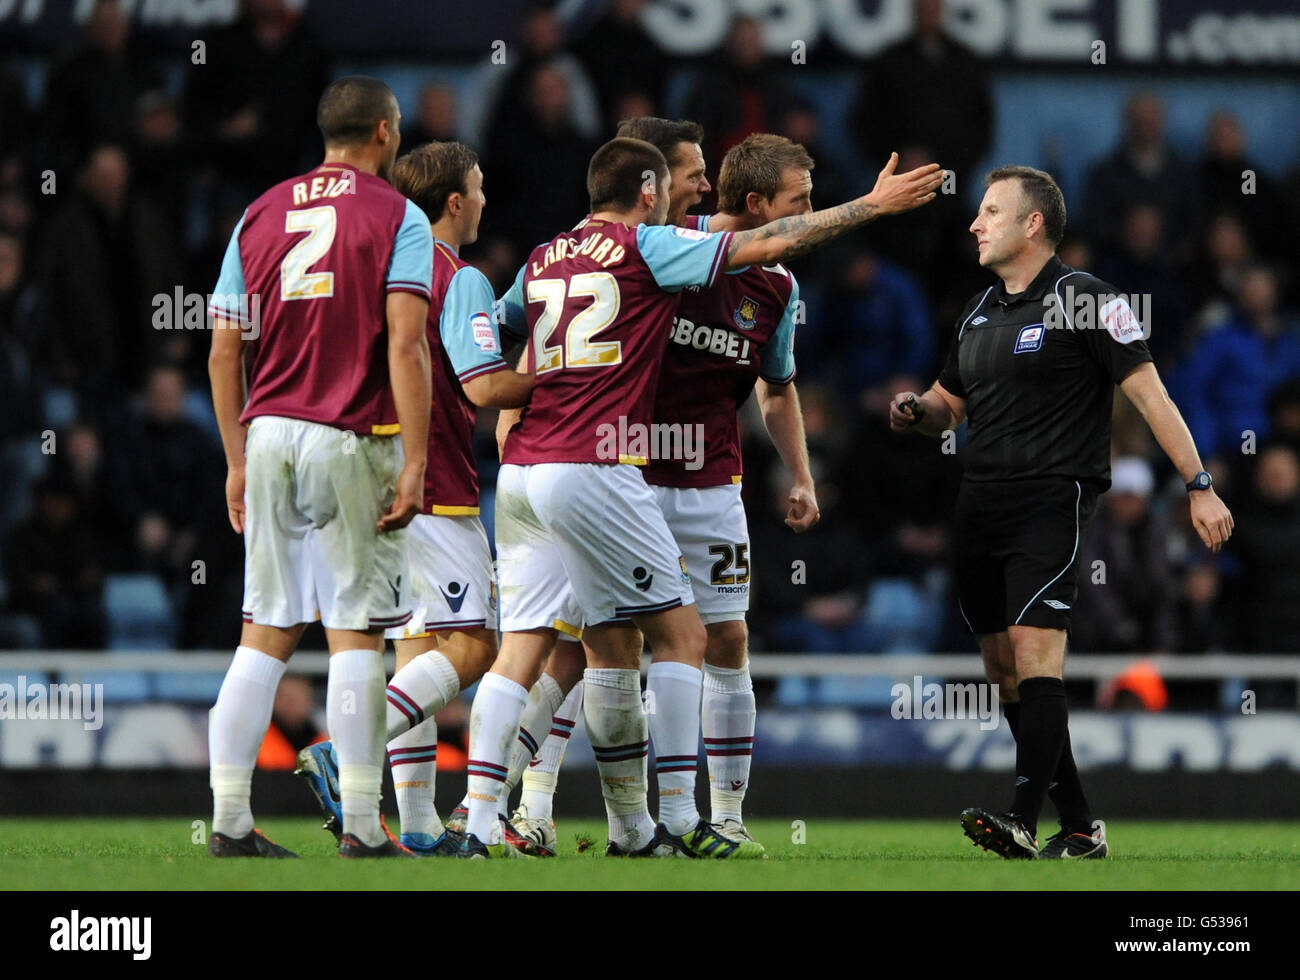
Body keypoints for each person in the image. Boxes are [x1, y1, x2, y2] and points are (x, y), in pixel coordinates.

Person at [459, 136, 942, 859]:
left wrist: (801, 474)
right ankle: (604, 816)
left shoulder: (775, 287)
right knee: (601, 650)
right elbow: (526, 330)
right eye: (689, 177)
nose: (698, 190)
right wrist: (869, 206)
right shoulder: (664, 252)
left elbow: (776, 388)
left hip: (708, 483)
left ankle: (716, 817)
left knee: (723, 639)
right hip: (624, 475)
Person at [891, 165, 1233, 859]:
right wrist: (916, 412)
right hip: (979, 502)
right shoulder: (979, 309)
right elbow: (947, 407)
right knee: (1002, 670)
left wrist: (1197, 482)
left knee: (1035, 654)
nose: (974, 223)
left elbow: (1151, 395)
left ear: (1032, 223)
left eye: (990, 211)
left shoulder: (1089, 299)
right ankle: (1078, 825)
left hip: (1052, 497)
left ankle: (1020, 817)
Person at [206, 76, 433, 858]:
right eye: (397, 127)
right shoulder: (396, 215)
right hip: (350, 434)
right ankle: (366, 828)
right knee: (356, 637)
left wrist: (235, 460)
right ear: (381, 131)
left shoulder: (260, 211)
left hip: (267, 432)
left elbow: (224, 345)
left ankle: (231, 821)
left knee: (261, 633)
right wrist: (417, 460)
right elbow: (404, 343)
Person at [294, 140, 534, 856]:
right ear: (455, 202)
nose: (487, 199)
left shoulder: (370, 266)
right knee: (473, 646)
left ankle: (423, 826)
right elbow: (484, 385)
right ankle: (346, 748)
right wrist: (575, 383)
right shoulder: (455, 278)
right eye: (480, 187)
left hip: (360, 471)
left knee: (417, 650)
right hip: (433, 488)